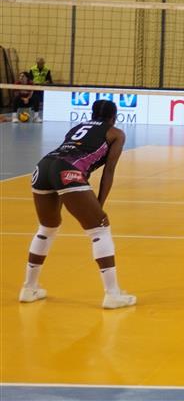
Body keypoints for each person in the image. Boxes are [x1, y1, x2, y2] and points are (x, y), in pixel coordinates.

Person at [20, 99, 136, 308]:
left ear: (92, 114)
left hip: (43, 166)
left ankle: (29, 288)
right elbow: (108, 172)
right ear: (114, 117)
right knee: (100, 228)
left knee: (47, 227)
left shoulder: (77, 127)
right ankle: (113, 294)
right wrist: (99, 205)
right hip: (67, 169)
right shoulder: (116, 133)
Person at [27, 57, 53, 123]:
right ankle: (35, 113)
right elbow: (29, 79)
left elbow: (49, 80)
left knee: (44, 97)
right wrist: (32, 83)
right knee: (35, 98)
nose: (41, 64)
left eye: (42, 63)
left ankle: (44, 111)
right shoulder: (32, 69)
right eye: (40, 63)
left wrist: (46, 82)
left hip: (43, 87)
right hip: (35, 87)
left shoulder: (47, 70)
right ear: (37, 63)